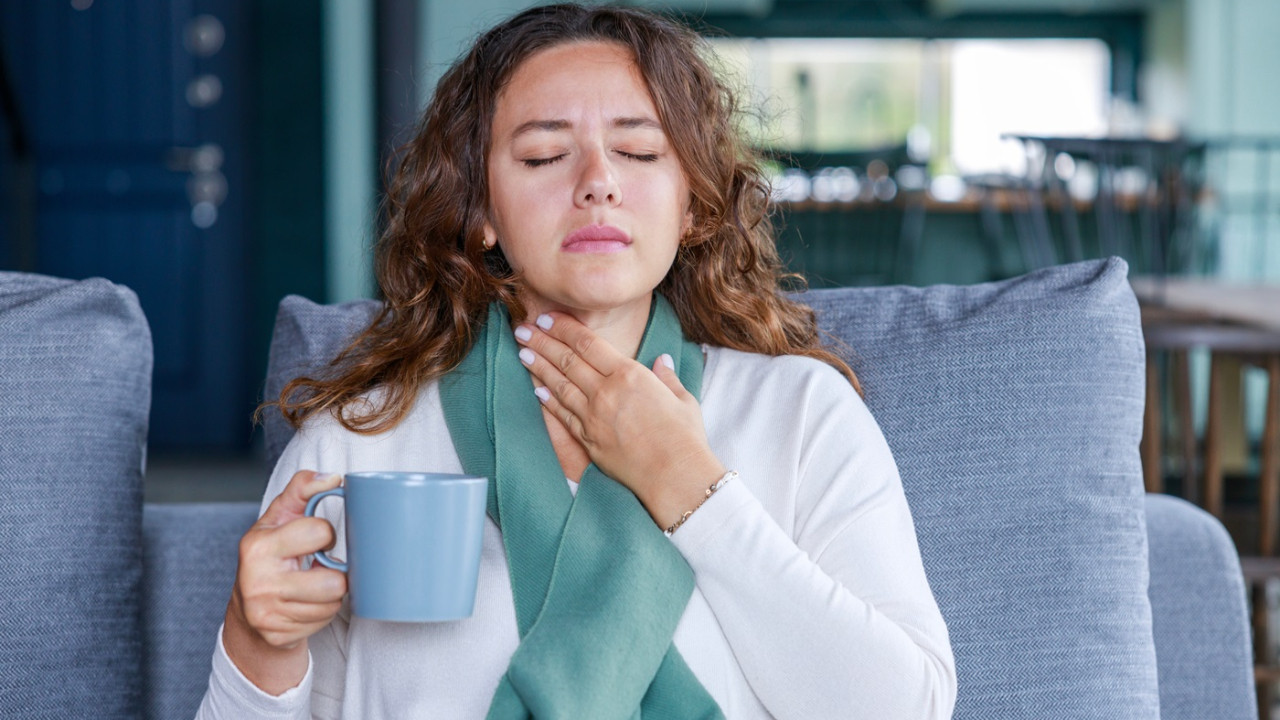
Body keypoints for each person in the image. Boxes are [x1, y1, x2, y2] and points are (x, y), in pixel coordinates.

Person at [197, 4, 956, 718]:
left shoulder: (800, 414)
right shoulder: (361, 439)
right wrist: (256, 641)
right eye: (544, 154)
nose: (598, 180)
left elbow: (907, 705)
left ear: (691, 204)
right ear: (481, 211)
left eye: (638, 150)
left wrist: (692, 489)